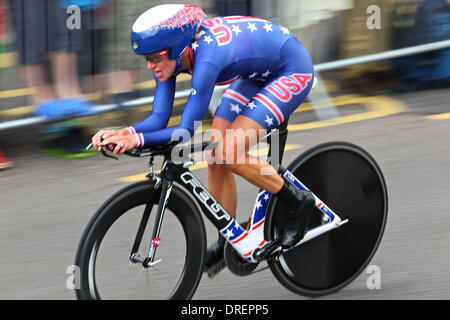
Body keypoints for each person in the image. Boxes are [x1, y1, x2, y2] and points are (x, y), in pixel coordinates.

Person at [91, 4, 316, 273]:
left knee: (228, 153)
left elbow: (186, 130)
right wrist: (125, 133)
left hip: (291, 69)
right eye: (145, 59)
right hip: (258, 73)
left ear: (175, 48)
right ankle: (231, 241)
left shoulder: (207, 60)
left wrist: (136, 141)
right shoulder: (170, 57)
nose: (150, 65)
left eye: (154, 57)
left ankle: (298, 201)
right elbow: (159, 118)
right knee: (214, 156)